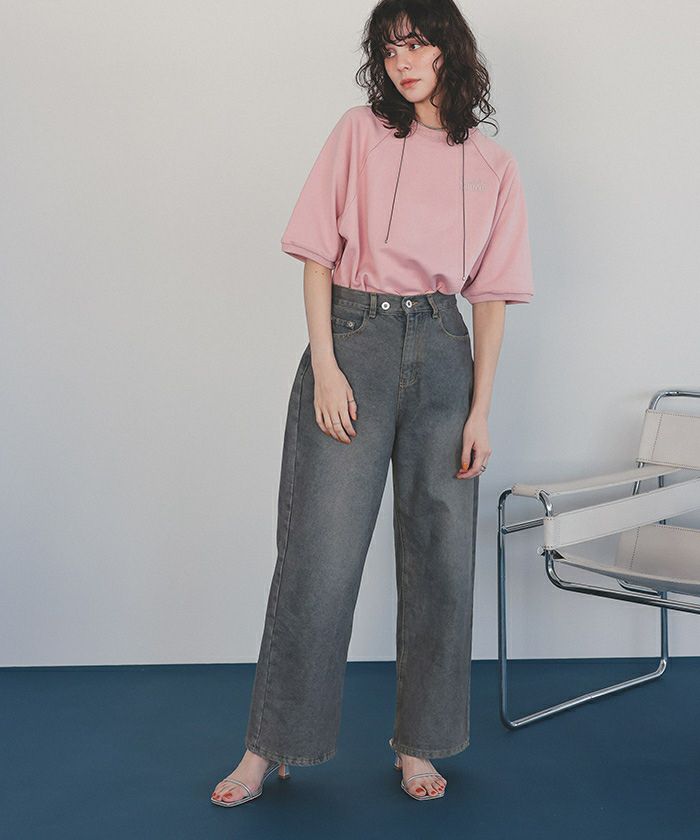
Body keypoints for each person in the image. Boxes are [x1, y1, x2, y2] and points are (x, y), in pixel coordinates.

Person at [211, 0, 534, 807]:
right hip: (352, 340)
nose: (403, 62)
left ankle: (420, 744)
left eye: (416, 44)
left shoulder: (493, 165)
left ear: (449, 49)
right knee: (317, 557)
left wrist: (480, 410)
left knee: (441, 560)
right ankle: (269, 746)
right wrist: (325, 366)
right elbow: (317, 255)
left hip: (444, 352)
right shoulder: (359, 132)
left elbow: (492, 296)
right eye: (390, 51)